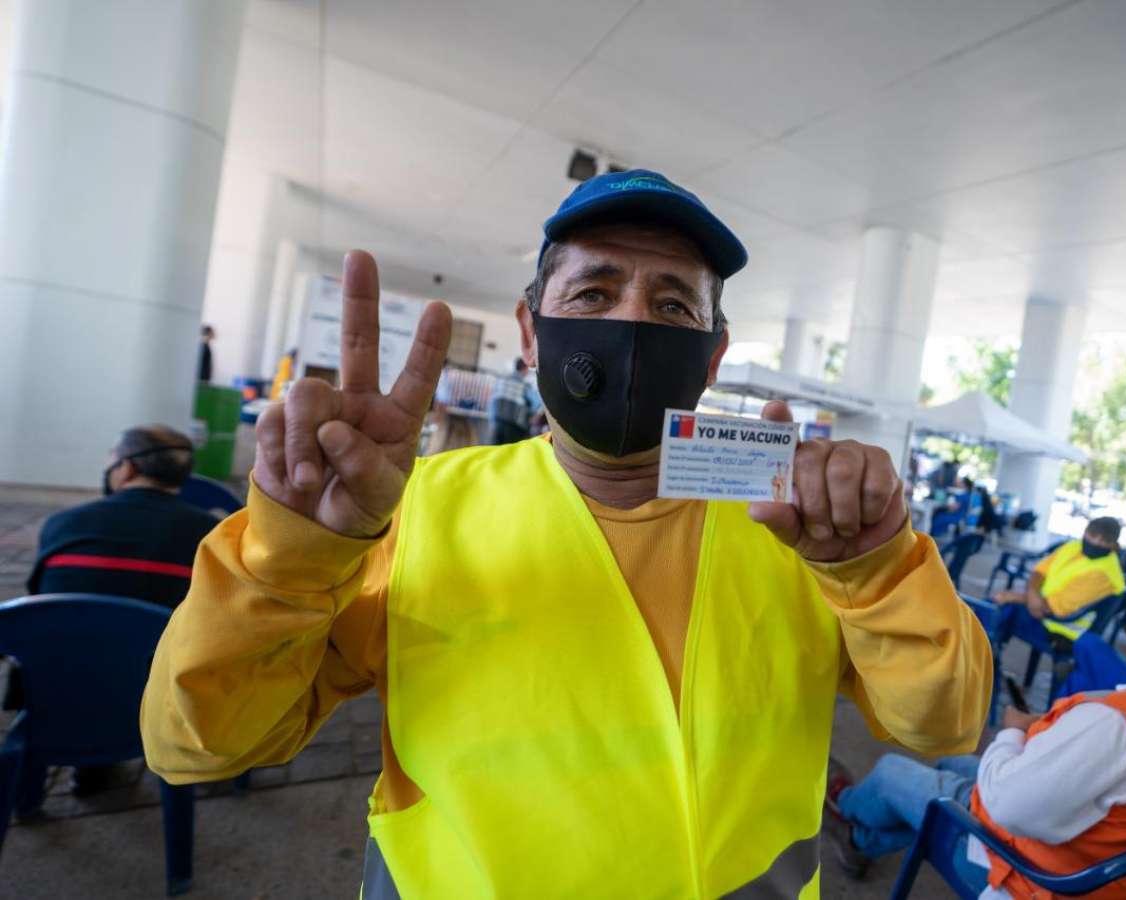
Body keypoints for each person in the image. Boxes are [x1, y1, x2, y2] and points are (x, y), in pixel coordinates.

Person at [141, 169, 991, 897]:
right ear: (530, 329)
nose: (633, 323)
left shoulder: (802, 531)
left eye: (673, 304)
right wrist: (296, 556)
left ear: (713, 354)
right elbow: (204, 743)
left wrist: (874, 573)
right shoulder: (407, 515)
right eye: (594, 291)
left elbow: (944, 725)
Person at [827, 575, 1126, 897]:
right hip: (1122, 871)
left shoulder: (1121, 725)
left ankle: (845, 814)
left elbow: (1005, 805)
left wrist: (1011, 732)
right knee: (952, 764)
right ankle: (863, 841)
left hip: (1037, 880)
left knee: (895, 773)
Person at [9, 425, 218, 801]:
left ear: (127, 468)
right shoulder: (212, 538)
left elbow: (37, 607)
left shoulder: (63, 524)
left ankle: (46, 784)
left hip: (54, 698)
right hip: (162, 708)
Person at [26, 425, 218, 605]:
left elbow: (39, 600)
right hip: (162, 640)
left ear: (127, 468)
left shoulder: (62, 524)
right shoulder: (213, 534)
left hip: (61, 638)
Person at [992, 516, 1125, 647]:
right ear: (1085, 531)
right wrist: (1032, 594)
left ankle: (987, 661)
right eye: (1093, 535)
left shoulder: (1106, 574)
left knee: (997, 611)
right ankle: (989, 658)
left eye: (1104, 541)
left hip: (1062, 629)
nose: (1096, 542)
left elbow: (1056, 608)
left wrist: (1015, 597)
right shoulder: (1074, 547)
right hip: (1038, 609)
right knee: (993, 610)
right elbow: (1039, 571)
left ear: (1114, 544)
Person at [486, 357, 540, 445]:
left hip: (497, 423)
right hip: (515, 426)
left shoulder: (501, 380)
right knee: (510, 454)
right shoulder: (524, 385)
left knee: (495, 452)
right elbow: (536, 404)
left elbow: (492, 401)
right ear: (525, 369)